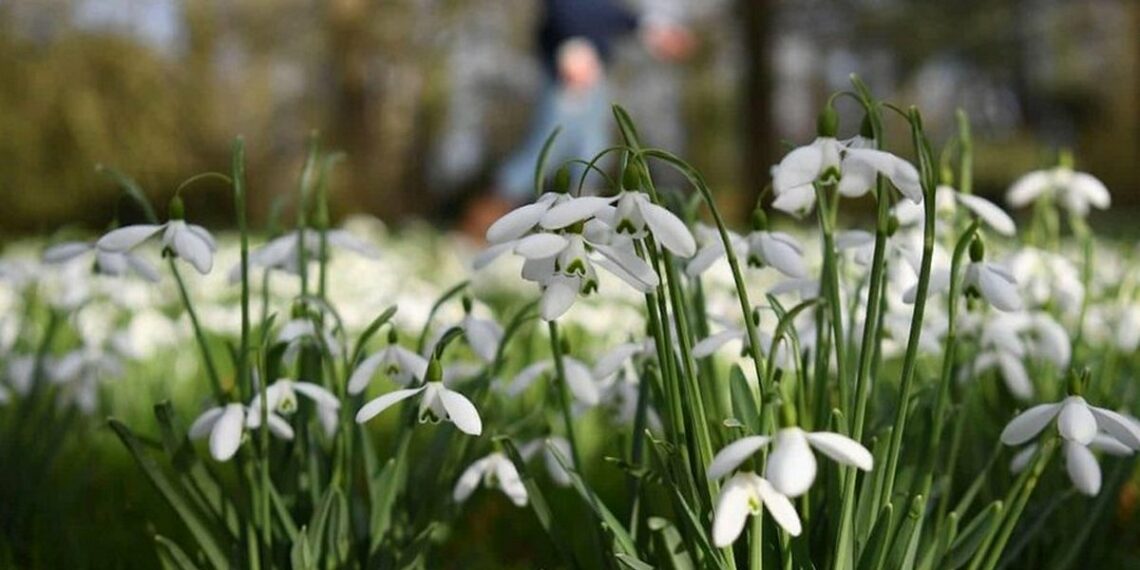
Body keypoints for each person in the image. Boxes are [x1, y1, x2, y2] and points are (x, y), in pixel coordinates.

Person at [460, 0, 694, 239]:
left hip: (594, 79)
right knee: (542, 156)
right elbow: (566, 11)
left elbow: (610, 14)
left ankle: (579, 235)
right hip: (569, 76)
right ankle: (481, 228)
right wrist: (573, 47)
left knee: (592, 157)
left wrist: (654, 30)